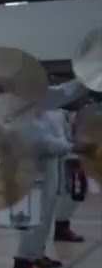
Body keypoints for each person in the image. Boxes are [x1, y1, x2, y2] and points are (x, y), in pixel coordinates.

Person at [8, 79, 92, 268]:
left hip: (45, 170)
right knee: (32, 224)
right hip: (29, 173)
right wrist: (72, 146)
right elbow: (41, 142)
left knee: (42, 220)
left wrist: (90, 75)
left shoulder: (40, 104)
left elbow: (65, 91)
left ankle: (32, 261)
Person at [50, 101, 87, 243]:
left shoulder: (80, 113)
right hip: (59, 160)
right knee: (66, 193)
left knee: (74, 193)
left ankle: (62, 226)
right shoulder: (55, 114)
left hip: (71, 158)